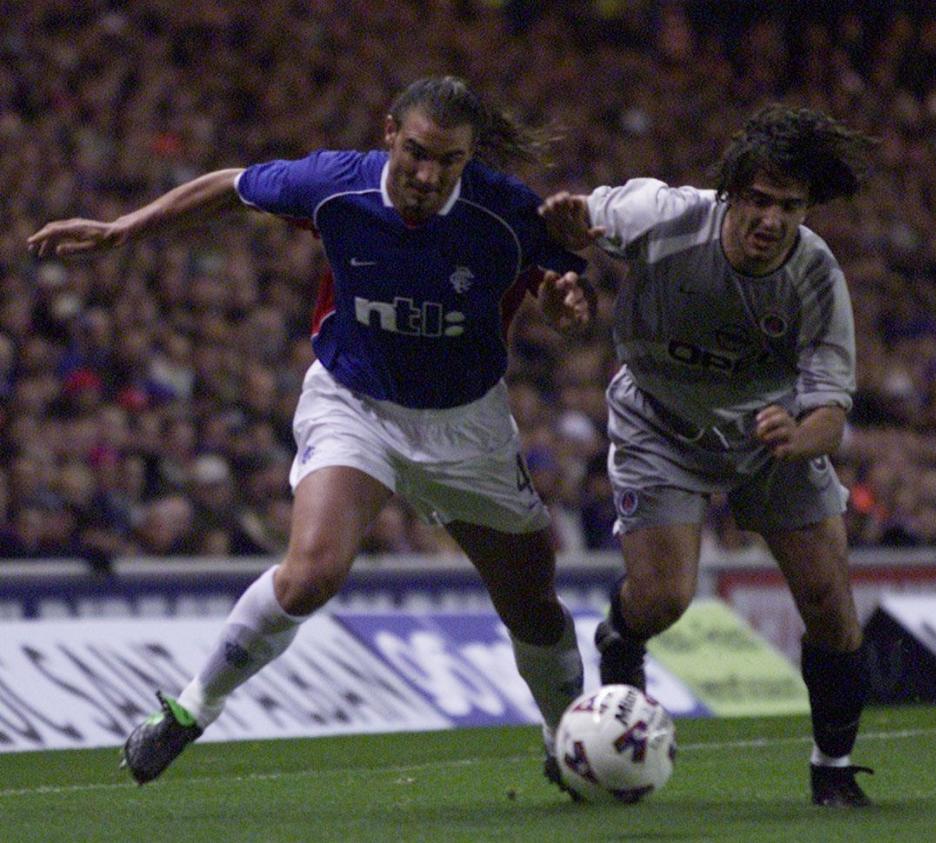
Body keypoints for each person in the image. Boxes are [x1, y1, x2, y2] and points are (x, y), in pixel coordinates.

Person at [29, 76, 590, 792]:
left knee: (532, 602)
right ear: (389, 132)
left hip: (466, 427)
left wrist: (569, 300)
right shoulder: (335, 185)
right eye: (415, 152)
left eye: (448, 161)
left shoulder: (507, 213)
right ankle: (188, 708)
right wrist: (123, 229)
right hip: (355, 404)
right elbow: (233, 185)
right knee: (312, 570)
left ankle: (566, 738)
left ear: (470, 157)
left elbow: (568, 279)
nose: (427, 174)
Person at [540, 104, 877, 807]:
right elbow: (569, 226)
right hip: (659, 424)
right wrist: (566, 267)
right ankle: (620, 638)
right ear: (731, 194)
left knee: (829, 601)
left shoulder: (815, 276)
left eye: (790, 205)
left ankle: (834, 766)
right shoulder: (661, 217)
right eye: (758, 200)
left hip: (768, 437)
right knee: (663, 597)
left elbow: (833, 414)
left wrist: (798, 434)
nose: (772, 219)